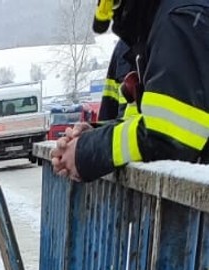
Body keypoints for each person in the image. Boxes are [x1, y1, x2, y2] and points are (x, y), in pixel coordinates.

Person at [51, 0, 209, 183]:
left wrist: (86, 151)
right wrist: (94, 136)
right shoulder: (166, 19)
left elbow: (170, 135)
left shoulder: (179, 19)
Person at [98, 39, 138, 121]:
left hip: (151, 130)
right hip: (125, 130)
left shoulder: (165, 40)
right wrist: (94, 131)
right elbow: (109, 106)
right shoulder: (122, 47)